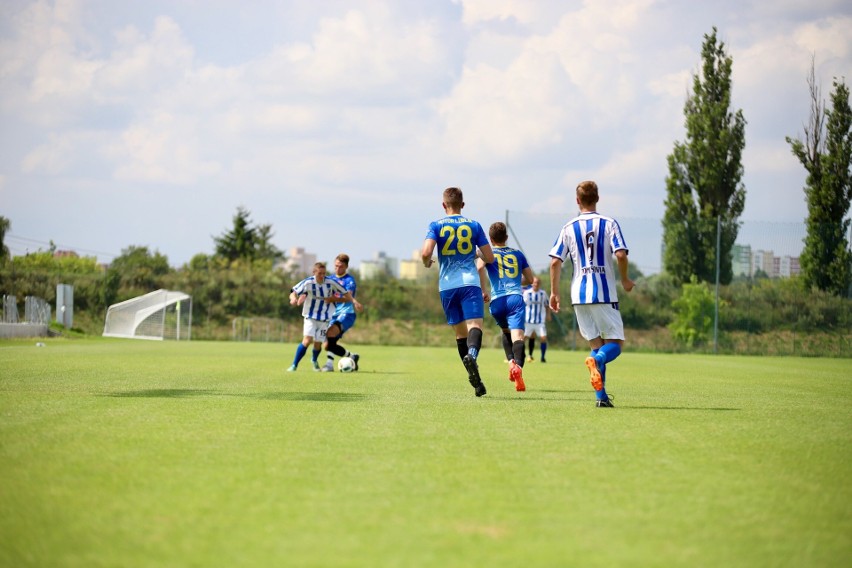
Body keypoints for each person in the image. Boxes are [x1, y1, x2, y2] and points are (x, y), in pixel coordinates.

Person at [548, 180, 635, 407]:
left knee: (597, 345)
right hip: (604, 294)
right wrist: (625, 279)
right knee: (614, 344)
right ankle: (596, 361)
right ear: (598, 198)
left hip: (579, 295)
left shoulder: (568, 228)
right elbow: (622, 255)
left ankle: (601, 398)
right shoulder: (609, 223)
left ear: (577, 201)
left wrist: (554, 293)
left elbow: (555, 262)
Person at [422, 187, 495, 397]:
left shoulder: (435, 225)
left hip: (446, 286)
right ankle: (473, 355)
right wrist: (475, 252)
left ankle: (477, 383)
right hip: (469, 283)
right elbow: (489, 257)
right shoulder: (473, 225)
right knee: (475, 326)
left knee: (460, 334)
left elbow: (426, 252)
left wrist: (427, 262)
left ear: (444, 205)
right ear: (463, 204)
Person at [477, 222, 535, 392]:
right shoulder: (518, 254)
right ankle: (518, 369)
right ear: (507, 238)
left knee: (505, 332)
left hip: (497, 301)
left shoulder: (488, 254)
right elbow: (530, 280)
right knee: (518, 337)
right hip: (515, 299)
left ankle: (510, 362)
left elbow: (480, 267)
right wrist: (517, 281)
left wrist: (483, 291)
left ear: (491, 239)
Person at [286, 262, 354, 372]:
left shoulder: (331, 283)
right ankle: (294, 365)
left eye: (324, 273)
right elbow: (293, 291)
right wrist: (293, 298)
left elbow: (346, 293)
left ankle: (314, 360)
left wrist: (342, 300)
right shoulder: (308, 282)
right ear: (314, 273)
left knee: (318, 344)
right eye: (319, 274)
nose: (322, 276)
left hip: (325, 319)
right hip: (310, 316)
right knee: (307, 340)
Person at [321, 253, 364, 372]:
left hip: (347, 314)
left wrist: (333, 299)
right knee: (327, 345)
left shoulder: (349, 280)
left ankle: (329, 365)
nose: (337, 268)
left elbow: (347, 297)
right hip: (332, 315)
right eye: (335, 266)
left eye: (340, 266)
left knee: (330, 334)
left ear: (346, 267)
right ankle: (352, 357)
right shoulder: (330, 279)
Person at [523, 277, 551, 362]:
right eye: (535, 282)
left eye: (538, 283)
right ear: (532, 283)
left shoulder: (543, 294)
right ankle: (521, 354)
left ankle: (542, 357)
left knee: (543, 338)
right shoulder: (527, 293)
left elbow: (547, 305)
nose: (536, 284)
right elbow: (522, 305)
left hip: (540, 321)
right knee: (523, 338)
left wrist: (548, 315)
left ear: (540, 284)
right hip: (528, 321)